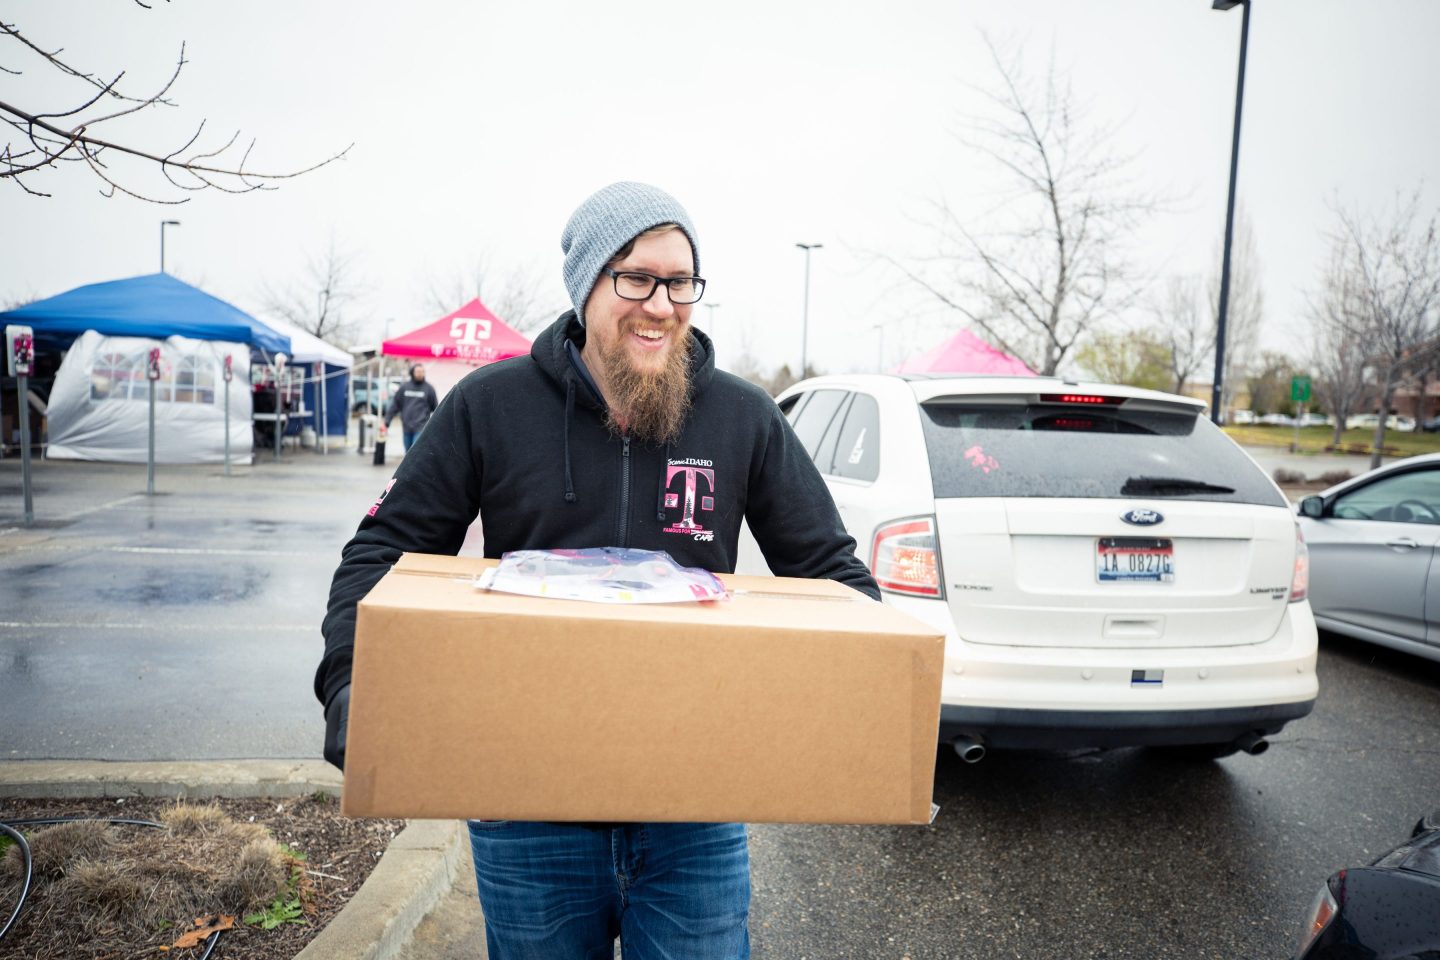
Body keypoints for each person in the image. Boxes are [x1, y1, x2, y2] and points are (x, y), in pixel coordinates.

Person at [316, 181, 879, 960]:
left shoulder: (742, 417)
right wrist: (351, 678)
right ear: (586, 287)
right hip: (528, 805)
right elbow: (381, 551)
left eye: (680, 282)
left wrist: (864, 684)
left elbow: (830, 573)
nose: (661, 304)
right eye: (637, 278)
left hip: (694, 808)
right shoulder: (491, 406)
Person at [385, 363, 438, 451]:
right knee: (408, 452)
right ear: (412, 372)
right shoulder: (404, 388)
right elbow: (395, 405)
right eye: (417, 371)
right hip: (407, 426)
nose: (420, 374)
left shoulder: (429, 389)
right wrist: (387, 420)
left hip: (421, 427)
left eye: (422, 372)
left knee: (415, 451)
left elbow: (435, 408)